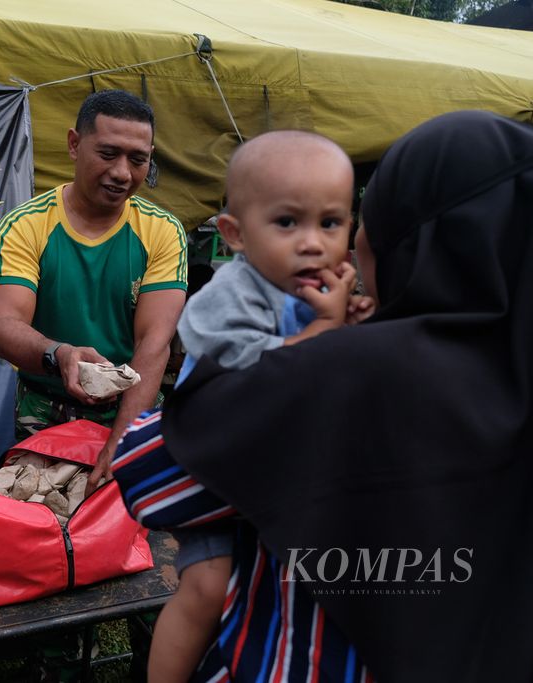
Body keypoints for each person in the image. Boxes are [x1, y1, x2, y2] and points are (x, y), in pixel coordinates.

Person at [113, 110, 533, 682]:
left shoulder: (356, 373)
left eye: (353, 217)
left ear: (416, 232)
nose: (344, 243)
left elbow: (149, 473)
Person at [149, 130, 375, 683]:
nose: (312, 243)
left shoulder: (320, 285)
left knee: (260, 586)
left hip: (269, 477)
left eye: (330, 222)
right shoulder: (234, 291)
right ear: (234, 234)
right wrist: (326, 329)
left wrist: (350, 322)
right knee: (206, 585)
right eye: (286, 222)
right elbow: (252, 377)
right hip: (214, 465)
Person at [0, 89, 187, 496]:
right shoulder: (26, 225)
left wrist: (122, 440)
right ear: (75, 145)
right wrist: (60, 355)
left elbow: (154, 343)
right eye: (108, 153)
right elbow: (4, 327)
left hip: (131, 406)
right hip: (44, 408)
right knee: (40, 516)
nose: (122, 173)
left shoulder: (163, 232)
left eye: (137, 159)